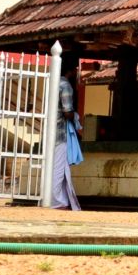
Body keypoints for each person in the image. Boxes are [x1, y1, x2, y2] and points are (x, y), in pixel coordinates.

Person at [48, 51, 85, 212]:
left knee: (54, 167)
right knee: (58, 168)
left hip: (49, 130)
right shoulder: (65, 85)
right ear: (71, 69)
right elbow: (67, 111)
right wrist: (76, 117)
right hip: (61, 132)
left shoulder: (51, 82)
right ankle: (57, 201)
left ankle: (61, 200)